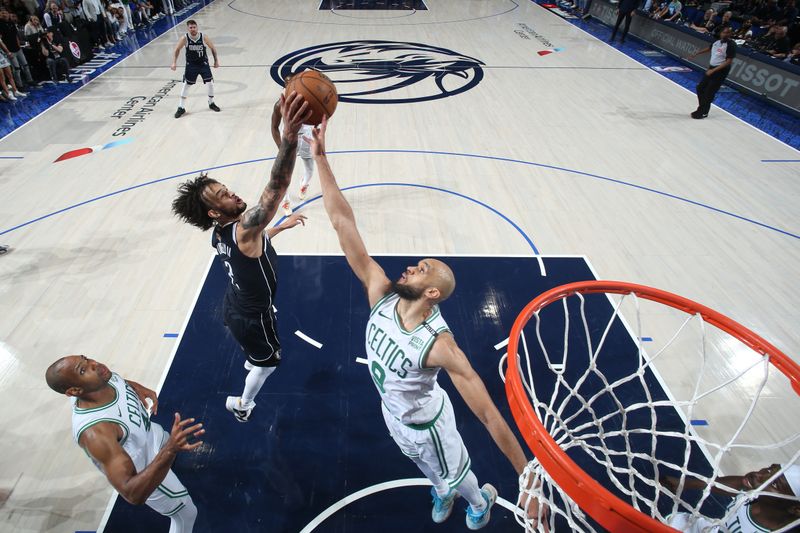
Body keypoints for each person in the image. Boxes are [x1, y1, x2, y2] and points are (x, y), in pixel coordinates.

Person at [306, 116, 544, 530]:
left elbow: (489, 414)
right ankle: (443, 488)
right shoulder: (381, 292)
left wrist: (526, 474)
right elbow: (343, 221)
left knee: (456, 474)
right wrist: (322, 158)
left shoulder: (439, 346)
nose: (414, 266)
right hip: (392, 414)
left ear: (432, 293)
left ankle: (479, 503)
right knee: (432, 473)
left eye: (423, 269)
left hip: (427, 424)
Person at [171, 92, 311, 422]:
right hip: (253, 317)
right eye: (223, 195)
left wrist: (280, 228)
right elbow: (277, 186)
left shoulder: (221, 233)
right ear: (213, 211)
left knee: (256, 355)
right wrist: (288, 139)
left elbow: (251, 248)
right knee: (269, 364)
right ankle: (243, 404)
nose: (232, 194)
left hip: (234, 306)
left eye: (227, 188)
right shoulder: (242, 229)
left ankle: (253, 356)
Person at [45, 355, 204, 532]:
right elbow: (132, 494)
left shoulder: (100, 378)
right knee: (187, 512)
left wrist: (135, 386)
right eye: (83, 370)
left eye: (87, 358)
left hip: (150, 436)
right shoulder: (96, 433)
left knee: (167, 442)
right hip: (144, 467)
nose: (95, 364)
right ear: (74, 391)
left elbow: (115, 380)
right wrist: (170, 450)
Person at [662, 464, 800, 532]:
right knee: (675, 521)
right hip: (713, 529)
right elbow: (740, 483)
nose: (759, 475)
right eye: (770, 469)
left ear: (795, 509)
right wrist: (688, 483)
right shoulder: (754, 492)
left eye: (775, 483)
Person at [271, 91, 315, 216]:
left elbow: (317, 118)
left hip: (307, 136)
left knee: (310, 169)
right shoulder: (280, 105)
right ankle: (286, 202)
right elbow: (274, 127)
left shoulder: (308, 101)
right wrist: (281, 146)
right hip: (289, 139)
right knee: (285, 175)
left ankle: (304, 184)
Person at [170, 19, 220, 119]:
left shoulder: (203, 36)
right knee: (186, 85)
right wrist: (174, 62)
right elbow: (177, 50)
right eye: (191, 28)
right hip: (191, 65)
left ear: (197, 27)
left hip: (203, 64)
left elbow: (213, 48)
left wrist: (216, 61)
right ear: (188, 28)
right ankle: (181, 107)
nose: (193, 29)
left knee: (210, 83)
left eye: (194, 27)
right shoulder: (185, 38)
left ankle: (211, 103)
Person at [688, 25, 736, 119]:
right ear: (721, 33)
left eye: (728, 32)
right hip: (712, 68)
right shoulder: (717, 42)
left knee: (709, 92)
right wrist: (696, 53)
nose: (726, 34)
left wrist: (713, 70)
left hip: (720, 71)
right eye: (724, 32)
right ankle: (703, 108)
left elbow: (728, 62)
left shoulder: (731, 45)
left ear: (730, 34)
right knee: (700, 88)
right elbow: (709, 48)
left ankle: (703, 111)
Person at [0, 9, 33, 90]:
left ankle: (30, 80)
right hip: (9, 50)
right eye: (2, 13)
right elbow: (0, 40)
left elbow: (16, 36)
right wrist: (7, 52)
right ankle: (20, 85)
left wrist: (19, 46)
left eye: (6, 12)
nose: (5, 14)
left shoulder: (11, 23)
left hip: (17, 49)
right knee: (16, 69)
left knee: (25, 65)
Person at [0, 35, 26, 100]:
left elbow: (2, 44)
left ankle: (15, 91)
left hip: (2, 57)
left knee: (10, 75)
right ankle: (8, 94)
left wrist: (8, 52)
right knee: (2, 78)